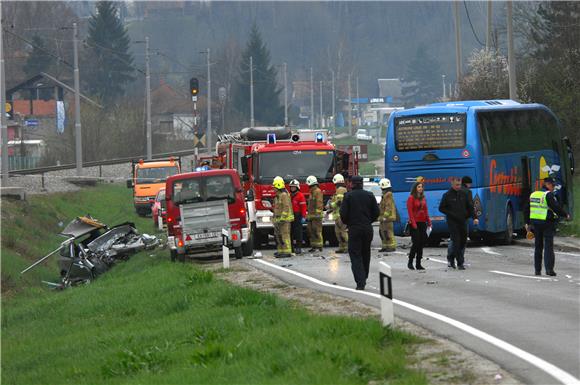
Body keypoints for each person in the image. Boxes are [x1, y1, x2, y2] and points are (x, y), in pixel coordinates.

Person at [340, 175, 380, 290]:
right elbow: (376, 212)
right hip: (367, 228)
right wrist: (368, 221)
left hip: (354, 228)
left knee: (355, 255)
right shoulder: (370, 195)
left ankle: (360, 281)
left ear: (351, 184)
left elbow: (343, 214)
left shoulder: (348, 196)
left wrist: (349, 223)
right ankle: (364, 276)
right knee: (365, 253)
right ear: (362, 184)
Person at [527, 177, 569, 276]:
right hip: (547, 223)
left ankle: (537, 270)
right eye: (552, 185)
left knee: (538, 247)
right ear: (547, 184)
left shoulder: (534, 194)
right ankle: (549, 270)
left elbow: (527, 209)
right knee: (548, 247)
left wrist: (527, 223)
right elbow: (556, 207)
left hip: (536, 224)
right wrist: (565, 214)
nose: (553, 188)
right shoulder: (548, 195)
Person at [439, 177, 475, 270]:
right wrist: (451, 214)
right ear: (452, 184)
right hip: (452, 222)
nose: (458, 186)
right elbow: (441, 208)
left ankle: (454, 258)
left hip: (463, 221)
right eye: (456, 185)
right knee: (456, 241)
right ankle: (459, 262)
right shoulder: (447, 195)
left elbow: (470, 206)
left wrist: (474, 217)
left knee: (463, 241)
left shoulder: (464, 194)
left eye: (459, 184)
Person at [447, 176, 479, 263]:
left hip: (453, 219)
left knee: (453, 239)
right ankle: (460, 260)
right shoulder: (468, 192)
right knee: (463, 240)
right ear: (468, 184)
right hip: (463, 219)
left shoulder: (454, 191)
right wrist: (475, 217)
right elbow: (470, 207)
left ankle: (450, 258)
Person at [407, 181, 431, 270]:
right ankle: (410, 261)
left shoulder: (423, 198)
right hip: (414, 223)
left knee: (421, 243)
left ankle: (418, 263)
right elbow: (410, 212)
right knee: (416, 243)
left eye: (421, 187)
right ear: (415, 188)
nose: (420, 188)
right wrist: (413, 224)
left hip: (422, 222)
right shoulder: (411, 198)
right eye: (419, 187)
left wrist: (429, 221)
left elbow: (426, 210)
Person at [272, 176, 294, 258]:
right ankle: (281, 251)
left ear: (278, 186)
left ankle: (287, 251)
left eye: (274, 186)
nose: (273, 188)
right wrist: (274, 218)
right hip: (278, 219)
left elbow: (286, 207)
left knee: (285, 235)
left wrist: (283, 217)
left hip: (284, 220)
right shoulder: (277, 196)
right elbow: (276, 208)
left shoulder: (284, 195)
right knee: (278, 236)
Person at [329, 173, 348, 253]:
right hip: (337, 215)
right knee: (338, 232)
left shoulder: (340, 189)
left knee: (342, 232)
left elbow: (339, 202)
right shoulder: (339, 190)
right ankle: (342, 247)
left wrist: (331, 206)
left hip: (341, 215)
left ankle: (347, 247)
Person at [306, 175, 324, 252]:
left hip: (316, 216)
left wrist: (318, 214)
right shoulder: (312, 192)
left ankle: (319, 246)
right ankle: (314, 246)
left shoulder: (317, 191)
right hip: (311, 216)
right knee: (311, 231)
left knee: (317, 231)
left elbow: (319, 203)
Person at [289, 179, 307, 254]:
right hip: (290, 215)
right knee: (290, 232)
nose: (292, 188)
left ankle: (298, 247)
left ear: (297, 187)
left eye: (294, 187)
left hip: (298, 215)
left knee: (298, 232)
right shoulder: (289, 195)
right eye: (291, 187)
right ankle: (291, 247)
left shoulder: (300, 195)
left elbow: (303, 207)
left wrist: (303, 216)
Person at [378, 178, 397, 252]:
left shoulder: (388, 195)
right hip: (384, 218)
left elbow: (388, 207)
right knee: (383, 232)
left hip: (388, 218)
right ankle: (385, 246)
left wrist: (384, 217)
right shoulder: (385, 195)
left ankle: (391, 246)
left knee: (388, 232)